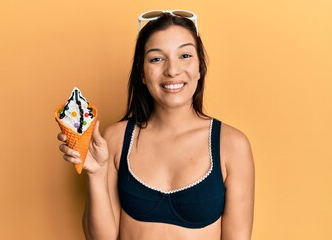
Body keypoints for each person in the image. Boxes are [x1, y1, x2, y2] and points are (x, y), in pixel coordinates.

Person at [58, 10, 254, 240]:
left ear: (200, 67)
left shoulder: (232, 145)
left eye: (185, 56)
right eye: (157, 58)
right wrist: (96, 174)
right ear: (142, 72)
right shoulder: (115, 139)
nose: (172, 70)